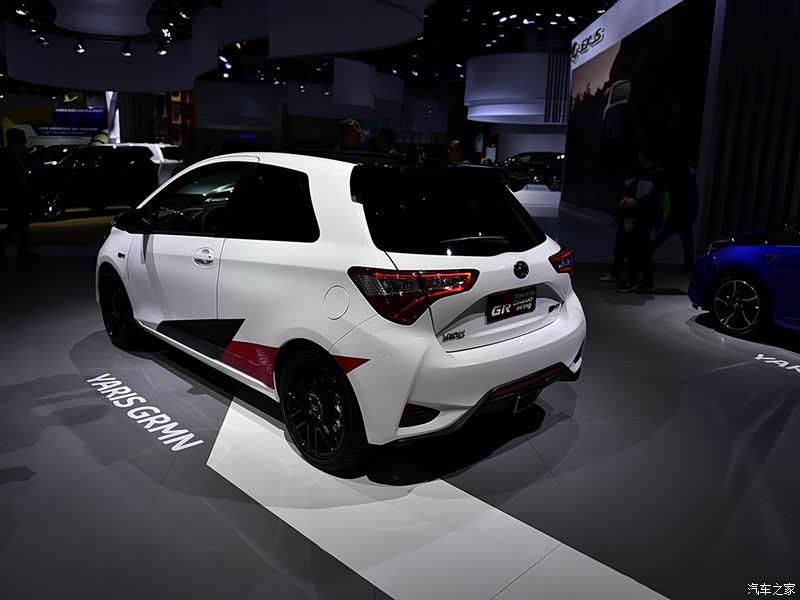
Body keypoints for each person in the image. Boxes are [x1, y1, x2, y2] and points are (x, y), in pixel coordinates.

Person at [616, 149, 664, 293]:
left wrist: (635, 201)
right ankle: (645, 281)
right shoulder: (649, 174)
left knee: (637, 248)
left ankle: (634, 280)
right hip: (643, 216)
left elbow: (654, 197)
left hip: (645, 217)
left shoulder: (654, 175)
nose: (639, 159)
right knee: (642, 249)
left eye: (641, 157)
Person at [650, 160, 699, 271]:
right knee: (686, 243)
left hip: (677, 217)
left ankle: (643, 257)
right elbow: (692, 201)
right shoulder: (687, 180)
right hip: (682, 217)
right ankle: (688, 266)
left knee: (661, 238)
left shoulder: (682, 179)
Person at [0, 128, 34, 257]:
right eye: (23, 138)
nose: (25, 141)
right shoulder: (6, 155)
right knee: (19, 222)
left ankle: (22, 250)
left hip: (20, 193)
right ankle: (21, 250)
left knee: (20, 223)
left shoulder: (19, 154)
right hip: (13, 194)